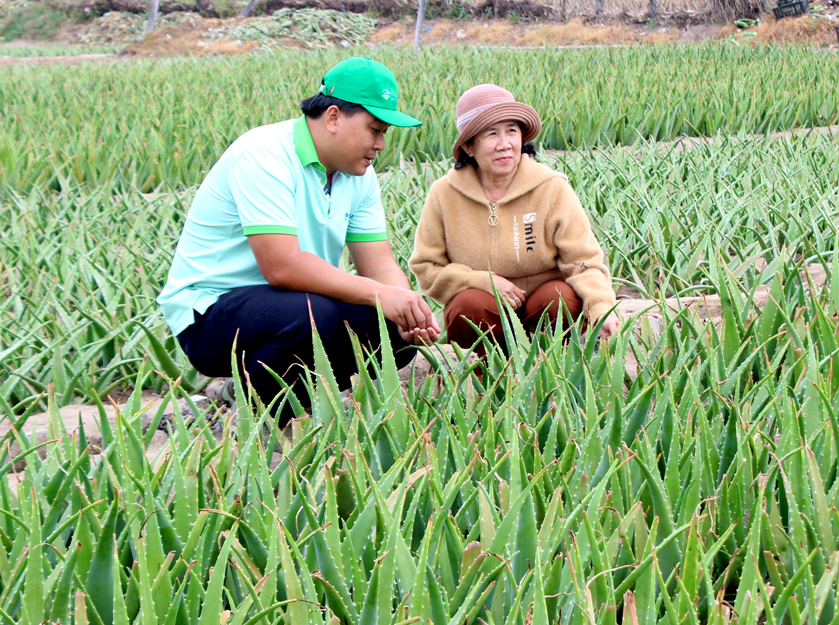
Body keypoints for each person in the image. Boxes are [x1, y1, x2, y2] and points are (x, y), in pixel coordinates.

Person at [158, 57, 440, 425]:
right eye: (375, 129)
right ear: (334, 117)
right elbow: (282, 267)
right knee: (313, 316)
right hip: (211, 314)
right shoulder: (264, 155)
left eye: (385, 132)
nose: (381, 144)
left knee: (388, 330)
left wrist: (407, 310)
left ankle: (264, 398)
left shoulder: (359, 174)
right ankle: (247, 417)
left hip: (295, 305)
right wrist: (380, 294)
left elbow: (379, 264)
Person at [408, 83, 619, 358]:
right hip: (485, 306)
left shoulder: (551, 187)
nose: (504, 143)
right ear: (469, 147)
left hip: (542, 303)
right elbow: (426, 266)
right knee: (467, 305)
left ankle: (552, 369)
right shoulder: (444, 193)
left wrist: (600, 306)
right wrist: (479, 280)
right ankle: (482, 380)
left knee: (559, 299)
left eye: (511, 130)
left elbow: (583, 260)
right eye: (491, 134)